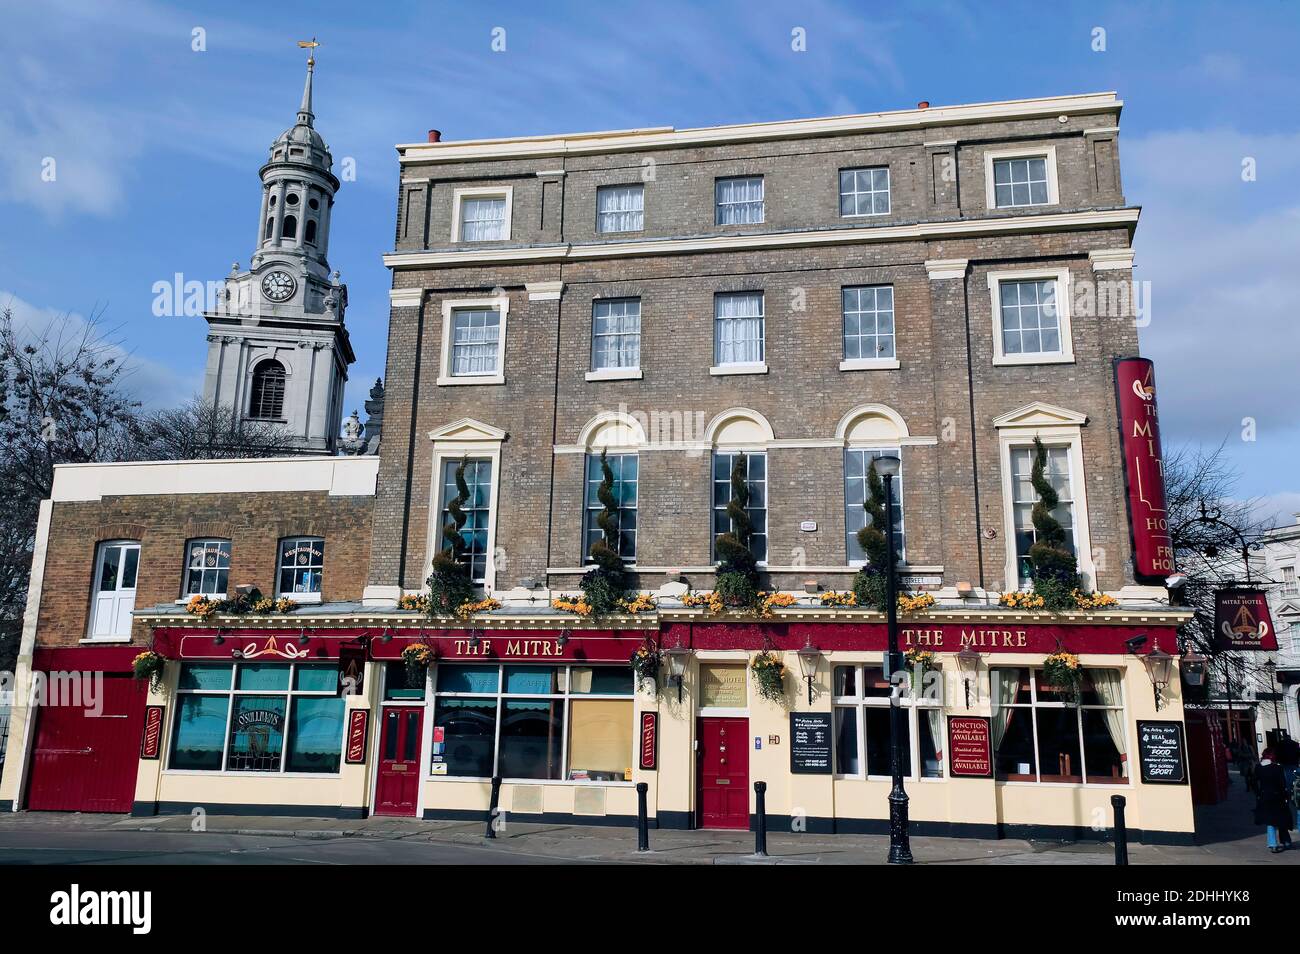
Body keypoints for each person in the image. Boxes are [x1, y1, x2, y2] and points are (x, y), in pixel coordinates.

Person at [1254, 748, 1293, 853]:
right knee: (1281, 819)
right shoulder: (1277, 768)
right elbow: (1282, 784)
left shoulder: (1258, 768)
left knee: (1270, 820)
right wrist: (1286, 796)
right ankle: (1286, 841)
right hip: (1277, 796)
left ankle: (1273, 843)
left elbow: (1254, 782)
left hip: (1264, 796)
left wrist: (1258, 794)